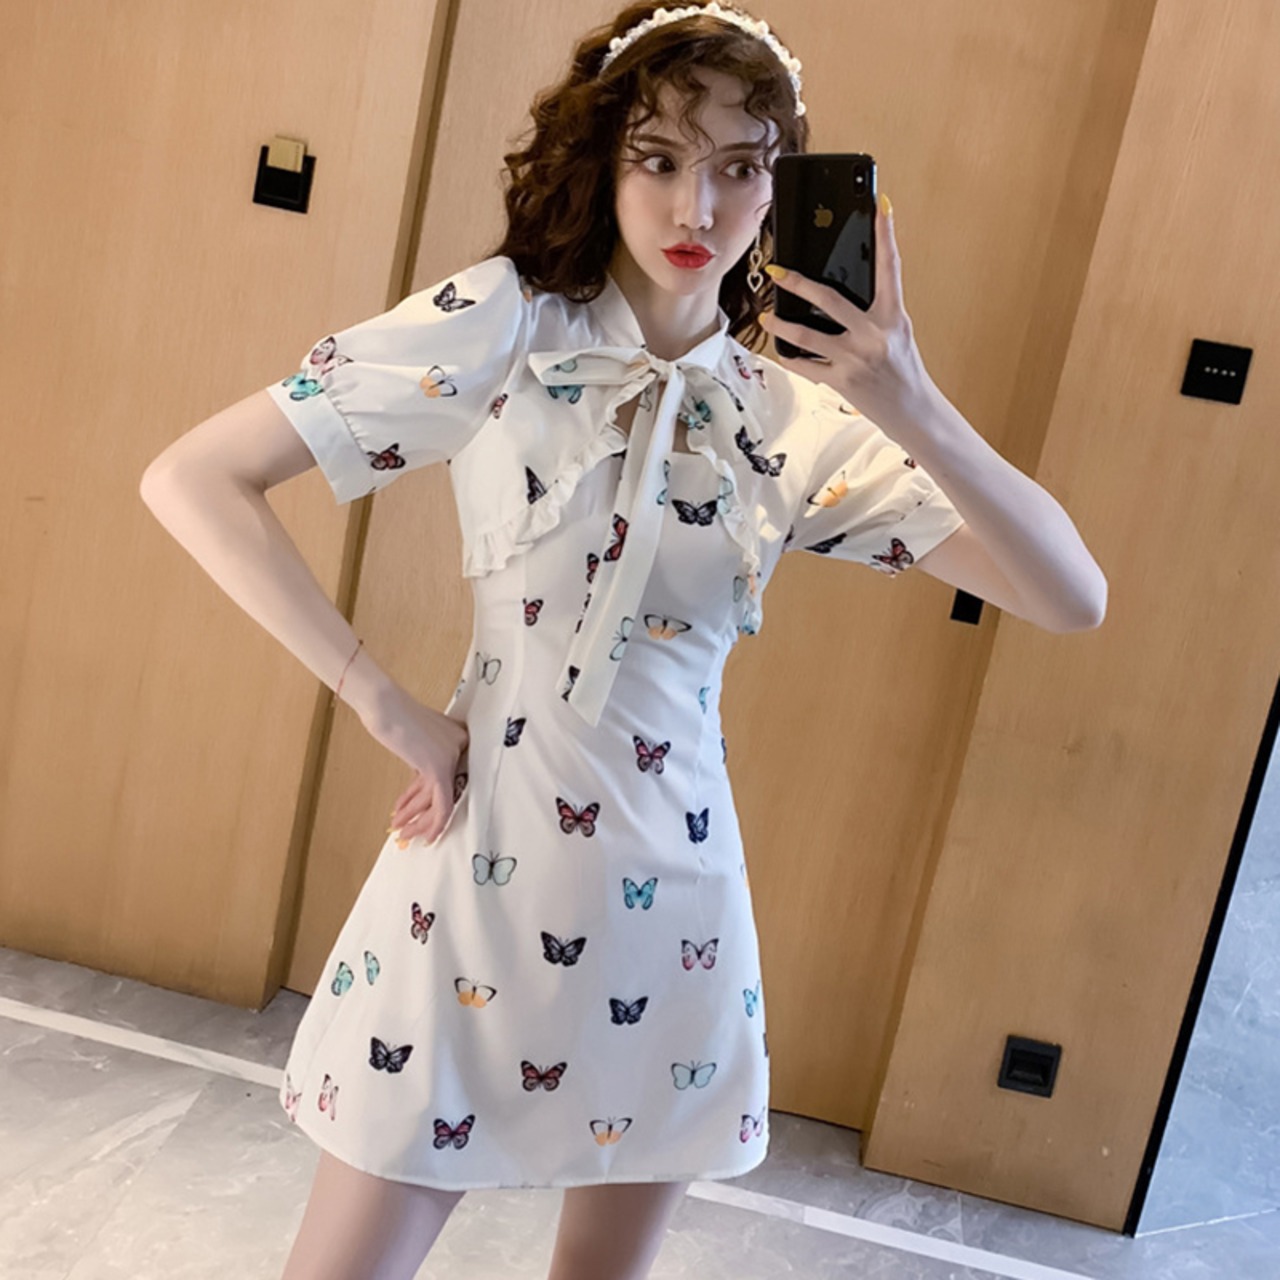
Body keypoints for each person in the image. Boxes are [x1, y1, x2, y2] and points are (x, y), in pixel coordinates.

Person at [140, 3, 969, 1276]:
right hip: (479, 877)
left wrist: (907, 398)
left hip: (676, 906)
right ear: (602, 159)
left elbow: (1067, 592)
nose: (695, 206)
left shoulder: (784, 417)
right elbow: (192, 478)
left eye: (739, 168)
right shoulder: (508, 326)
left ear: (780, 187)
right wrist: (384, 703)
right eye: (659, 159)